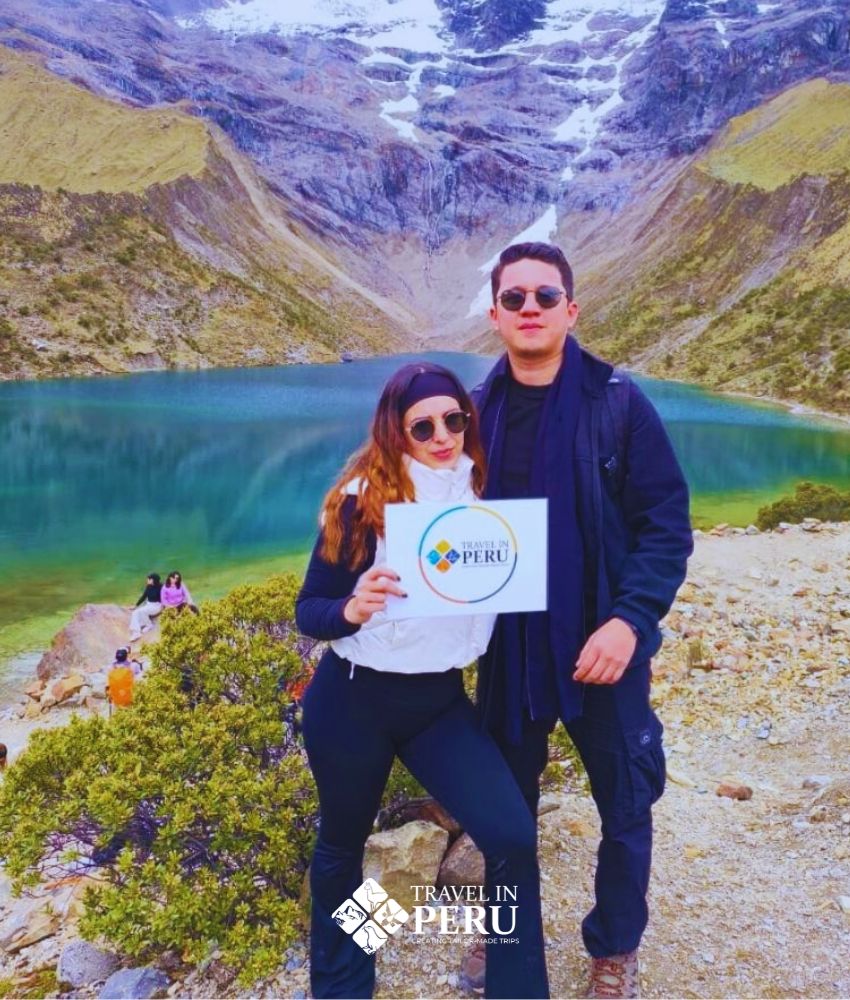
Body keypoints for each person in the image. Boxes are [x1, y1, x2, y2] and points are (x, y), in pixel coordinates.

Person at [464, 242, 693, 999]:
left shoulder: (618, 403)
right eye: (514, 297)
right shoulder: (473, 411)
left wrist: (629, 621)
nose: (529, 308)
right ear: (495, 314)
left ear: (571, 310)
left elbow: (665, 525)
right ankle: (505, 933)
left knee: (625, 802)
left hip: (604, 647)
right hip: (510, 647)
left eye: (544, 296)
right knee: (504, 806)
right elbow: (443, 530)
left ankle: (614, 946)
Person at [295, 362, 550, 1000]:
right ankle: (345, 984)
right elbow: (310, 609)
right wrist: (352, 607)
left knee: (511, 835)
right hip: (353, 698)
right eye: (423, 426)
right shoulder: (361, 501)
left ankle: (516, 987)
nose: (442, 436)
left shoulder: (482, 493)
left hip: (437, 702)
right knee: (342, 849)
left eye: (454, 420)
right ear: (396, 431)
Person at [129, 573, 162, 641]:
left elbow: (165, 597)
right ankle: (136, 632)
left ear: (153, 580)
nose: (147, 580)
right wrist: (136, 605)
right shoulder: (148, 586)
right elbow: (143, 597)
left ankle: (149, 625)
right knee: (135, 612)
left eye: (149, 579)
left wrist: (164, 608)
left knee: (143, 611)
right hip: (149, 605)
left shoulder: (161, 587)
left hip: (157, 606)